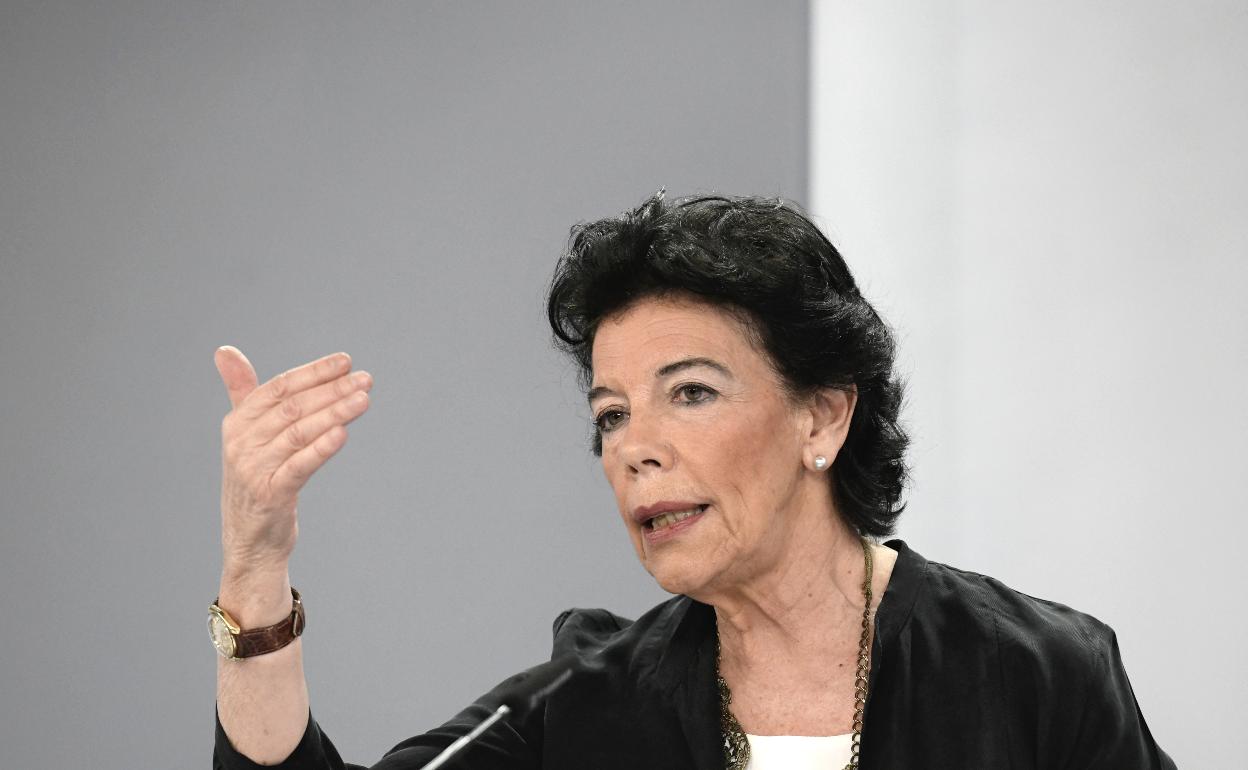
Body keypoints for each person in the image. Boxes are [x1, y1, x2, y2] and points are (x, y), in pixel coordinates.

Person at [210, 192, 1176, 769]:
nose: (635, 447)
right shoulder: (586, 702)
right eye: (611, 414)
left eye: (692, 392)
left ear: (821, 417)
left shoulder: (1035, 671)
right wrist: (254, 568)